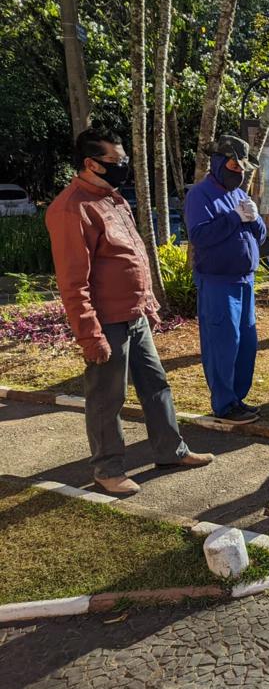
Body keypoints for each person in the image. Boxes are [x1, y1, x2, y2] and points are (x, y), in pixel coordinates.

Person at [45, 127, 213, 495]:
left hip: (133, 317)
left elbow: (135, 257)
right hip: (106, 322)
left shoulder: (114, 199)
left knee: (156, 385)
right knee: (107, 398)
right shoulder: (71, 209)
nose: (122, 167)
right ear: (90, 163)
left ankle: (171, 450)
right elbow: (74, 283)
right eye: (115, 162)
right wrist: (90, 334)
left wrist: (147, 304)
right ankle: (107, 470)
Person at [185, 134, 267, 424]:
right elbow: (199, 236)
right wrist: (233, 218)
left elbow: (261, 235)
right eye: (234, 165)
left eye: (243, 168)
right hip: (218, 282)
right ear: (219, 163)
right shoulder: (200, 194)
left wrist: (255, 219)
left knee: (246, 342)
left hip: (245, 280)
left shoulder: (240, 194)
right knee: (223, 342)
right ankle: (224, 403)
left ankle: (238, 398)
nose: (239, 173)